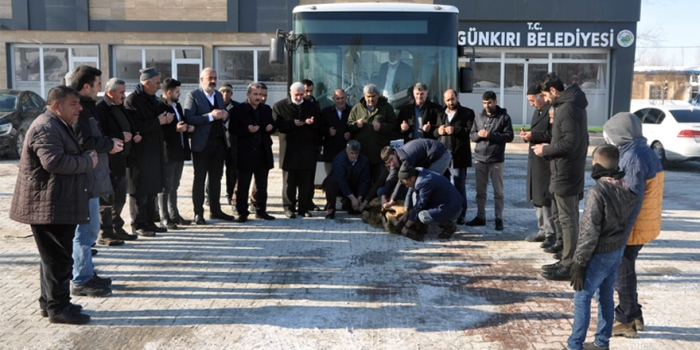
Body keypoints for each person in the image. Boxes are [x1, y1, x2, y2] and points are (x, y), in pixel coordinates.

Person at [10, 86, 97, 324]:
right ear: (57, 105)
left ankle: (49, 303)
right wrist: (86, 162)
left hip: (56, 202)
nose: (79, 108)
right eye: (73, 104)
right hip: (48, 206)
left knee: (52, 259)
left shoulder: (56, 124)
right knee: (58, 260)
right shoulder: (46, 127)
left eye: (79, 103)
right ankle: (59, 308)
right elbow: (54, 162)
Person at [566, 144, 637, 350]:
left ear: (596, 164)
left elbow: (589, 231)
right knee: (605, 297)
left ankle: (574, 345)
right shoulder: (624, 187)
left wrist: (579, 262)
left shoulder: (598, 192)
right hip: (616, 251)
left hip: (600, 253)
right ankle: (601, 343)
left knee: (582, 297)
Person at [602, 112, 664, 339]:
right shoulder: (640, 150)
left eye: (610, 137)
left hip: (634, 224)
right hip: (642, 222)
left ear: (621, 134)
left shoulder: (634, 156)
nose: (609, 142)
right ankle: (635, 314)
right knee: (626, 269)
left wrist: (621, 233)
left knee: (622, 271)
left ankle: (626, 319)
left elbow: (632, 199)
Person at [70, 66, 123, 297]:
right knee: (85, 232)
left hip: (92, 177)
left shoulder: (87, 107)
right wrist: (109, 145)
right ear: (86, 86)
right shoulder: (79, 110)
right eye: (98, 84)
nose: (100, 88)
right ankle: (81, 279)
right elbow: (84, 142)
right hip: (83, 178)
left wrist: (107, 142)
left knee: (90, 230)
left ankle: (87, 273)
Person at [533, 72, 589, 281]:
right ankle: (566, 257)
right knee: (567, 218)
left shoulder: (566, 109)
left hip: (566, 171)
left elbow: (569, 143)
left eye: (547, 96)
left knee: (568, 219)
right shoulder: (571, 105)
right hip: (568, 169)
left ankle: (569, 264)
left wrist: (546, 149)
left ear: (554, 91)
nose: (546, 101)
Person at [124, 68, 173, 235]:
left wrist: (166, 118)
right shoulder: (133, 100)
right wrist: (158, 121)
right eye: (157, 83)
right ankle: (138, 224)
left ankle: (150, 221)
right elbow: (136, 125)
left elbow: (157, 119)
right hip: (140, 153)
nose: (159, 86)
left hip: (154, 151)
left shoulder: (152, 99)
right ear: (147, 83)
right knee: (139, 191)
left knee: (152, 188)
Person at [183, 67, 235, 224]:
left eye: (215, 77)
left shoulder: (218, 95)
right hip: (202, 144)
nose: (213, 80)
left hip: (219, 143)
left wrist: (225, 115)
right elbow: (189, 118)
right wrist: (210, 117)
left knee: (216, 178)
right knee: (199, 178)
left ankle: (215, 210)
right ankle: (198, 213)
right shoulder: (193, 95)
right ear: (201, 80)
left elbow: (223, 113)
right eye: (209, 78)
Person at [96, 78, 138, 242]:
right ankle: (105, 232)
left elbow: (127, 124)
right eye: (121, 92)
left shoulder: (119, 106)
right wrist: (121, 136)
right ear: (110, 92)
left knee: (120, 196)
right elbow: (101, 133)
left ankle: (116, 227)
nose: (124, 95)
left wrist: (134, 134)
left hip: (122, 159)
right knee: (107, 197)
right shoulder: (101, 108)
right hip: (108, 160)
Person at [466, 90, 514, 231]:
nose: (487, 105)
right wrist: (479, 135)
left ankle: (498, 218)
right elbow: (472, 135)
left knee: (498, 192)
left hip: (496, 159)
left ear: (495, 102)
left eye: (489, 103)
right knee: (481, 192)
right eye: (485, 103)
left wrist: (490, 135)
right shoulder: (479, 117)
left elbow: (509, 136)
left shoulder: (504, 117)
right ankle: (481, 216)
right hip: (480, 159)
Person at [273, 81, 320, 218]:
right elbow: (276, 125)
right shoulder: (280, 106)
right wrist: (292, 124)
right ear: (290, 93)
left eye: (302, 94)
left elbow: (319, 123)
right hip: (289, 149)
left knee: (305, 181)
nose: (299, 97)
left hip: (307, 149)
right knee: (289, 181)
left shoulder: (311, 106)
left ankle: (303, 207)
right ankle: (289, 207)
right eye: (296, 95)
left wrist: (312, 122)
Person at [232, 83, 277, 222]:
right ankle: (242, 211)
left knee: (262, 184)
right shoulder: (238, 110)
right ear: (248, 95)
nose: (259, 97)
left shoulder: (266, 109)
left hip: (262, 151)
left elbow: (273, 126)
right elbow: (233, 130)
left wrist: (271, 128)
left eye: (260, 95)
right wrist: (247, 130)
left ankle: (260, 210)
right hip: (245, 152)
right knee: (243, 183)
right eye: (255, 94)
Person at [521, 85, 556, 246]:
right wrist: (527, 135)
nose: (531, 104)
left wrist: (533, 135)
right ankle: (542, 229)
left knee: (544, 197)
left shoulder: (551, 110)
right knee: (536, 196)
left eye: (532, 100)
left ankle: (551, 233)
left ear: (541, 96)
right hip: (535, 161)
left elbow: (553, 135)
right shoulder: (538, 110)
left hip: (545, 162)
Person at [157, 78, 194, 229]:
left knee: (175, 185)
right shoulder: (159, 106)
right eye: (177, 92)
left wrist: (187, 127)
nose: (179, 94)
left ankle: (174, 214)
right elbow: (159, 130)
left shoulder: (177, 105)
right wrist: (175, 129)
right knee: (165, 185)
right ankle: (163, 216)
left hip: (179, 150)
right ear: (169, 92)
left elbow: (181, 122)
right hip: (167, 152)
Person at [434, 89, 474, 225]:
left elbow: (471, 131)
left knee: (459, 186)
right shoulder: (440, 113)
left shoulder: (467, 113)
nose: (451, 102)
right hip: (443, 156)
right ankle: (445, 213)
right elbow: (434, 131)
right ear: (444, 101)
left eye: (453, 99)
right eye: (448, 100)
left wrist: (454, 130)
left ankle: (461, 214)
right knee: (443, 185)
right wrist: (438, 131)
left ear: (457, 97)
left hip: (459, 156)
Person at [397, 164, 465, 241]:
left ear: (412, 178)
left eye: (406, 183)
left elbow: (419, 205)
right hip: (447, 202)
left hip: (453, 209)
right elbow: (410, 192)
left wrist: (406, 226)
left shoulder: (423, 182)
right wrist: (406, 212)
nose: (406, 186)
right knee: (414, 195)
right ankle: (430, 221)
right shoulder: (417, 173)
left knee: (423, 216)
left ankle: (449, 226)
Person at [379, 139, 452, 209]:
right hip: (428, 158)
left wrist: (392, 200)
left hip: (440, 156)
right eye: (388, 162)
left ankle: (435, 212)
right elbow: (392, 177)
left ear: (394, 152)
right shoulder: (395, 158)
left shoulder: (406, 158)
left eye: (391, 159)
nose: (391, 163)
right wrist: (384, 196)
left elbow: (402, 180)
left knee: (426, 184)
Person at [348, 84, 397, 183]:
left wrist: (381, 127)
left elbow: (394, 125)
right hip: (362, 153)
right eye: (368, 96)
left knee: (379, 181)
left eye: (373, 96)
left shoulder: (386, 107)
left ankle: (378, 198)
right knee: (362, 181)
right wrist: (356, 125)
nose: (370, 99)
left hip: (379, 153)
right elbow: (349, 125)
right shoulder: (357, 108)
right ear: (364, 96)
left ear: (378, 95)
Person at [323, 140, 370, 219]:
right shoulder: (339, 159)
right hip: (340, 186)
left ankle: (348, 204)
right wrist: (352, 197)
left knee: (355, 210)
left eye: (356, 153)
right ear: (347, 150)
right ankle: (330, 208)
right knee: (330, 181)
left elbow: (364, 180)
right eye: (352, 153)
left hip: (354, 185)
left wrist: (359, 197)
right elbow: (341, 180)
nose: (354, 156)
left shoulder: (364, 160)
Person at [212, 83, 239, 207]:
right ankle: (210, 196)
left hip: (232, 144)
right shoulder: (215, 106)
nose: (225, 94)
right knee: (214, 171)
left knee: (232, 171)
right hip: (218, 143)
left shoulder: (237, 107)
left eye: (228, 92)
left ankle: (230, 194)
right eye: (222, 92)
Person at [320, 89, 351, 175]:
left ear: (346, 98)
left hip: (346, 152)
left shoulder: (351, 111)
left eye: (342, 98)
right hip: (330, 152)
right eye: (338, 98)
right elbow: (319, 129)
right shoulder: (326, 112)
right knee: (330, 179)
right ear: (333, 99)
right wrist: (328, 131)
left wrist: (350, 134)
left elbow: (356, 128)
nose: (340, 101)